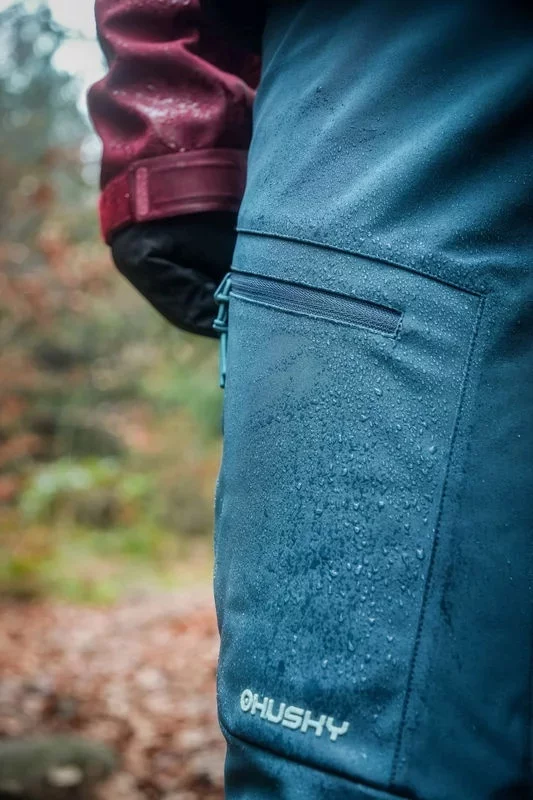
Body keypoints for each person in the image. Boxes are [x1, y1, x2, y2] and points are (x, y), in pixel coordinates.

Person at [89, 2, 533, 798]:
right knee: (359, 751)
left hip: (383, 91)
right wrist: (175, 126)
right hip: (397, 71)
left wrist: (167, 126)